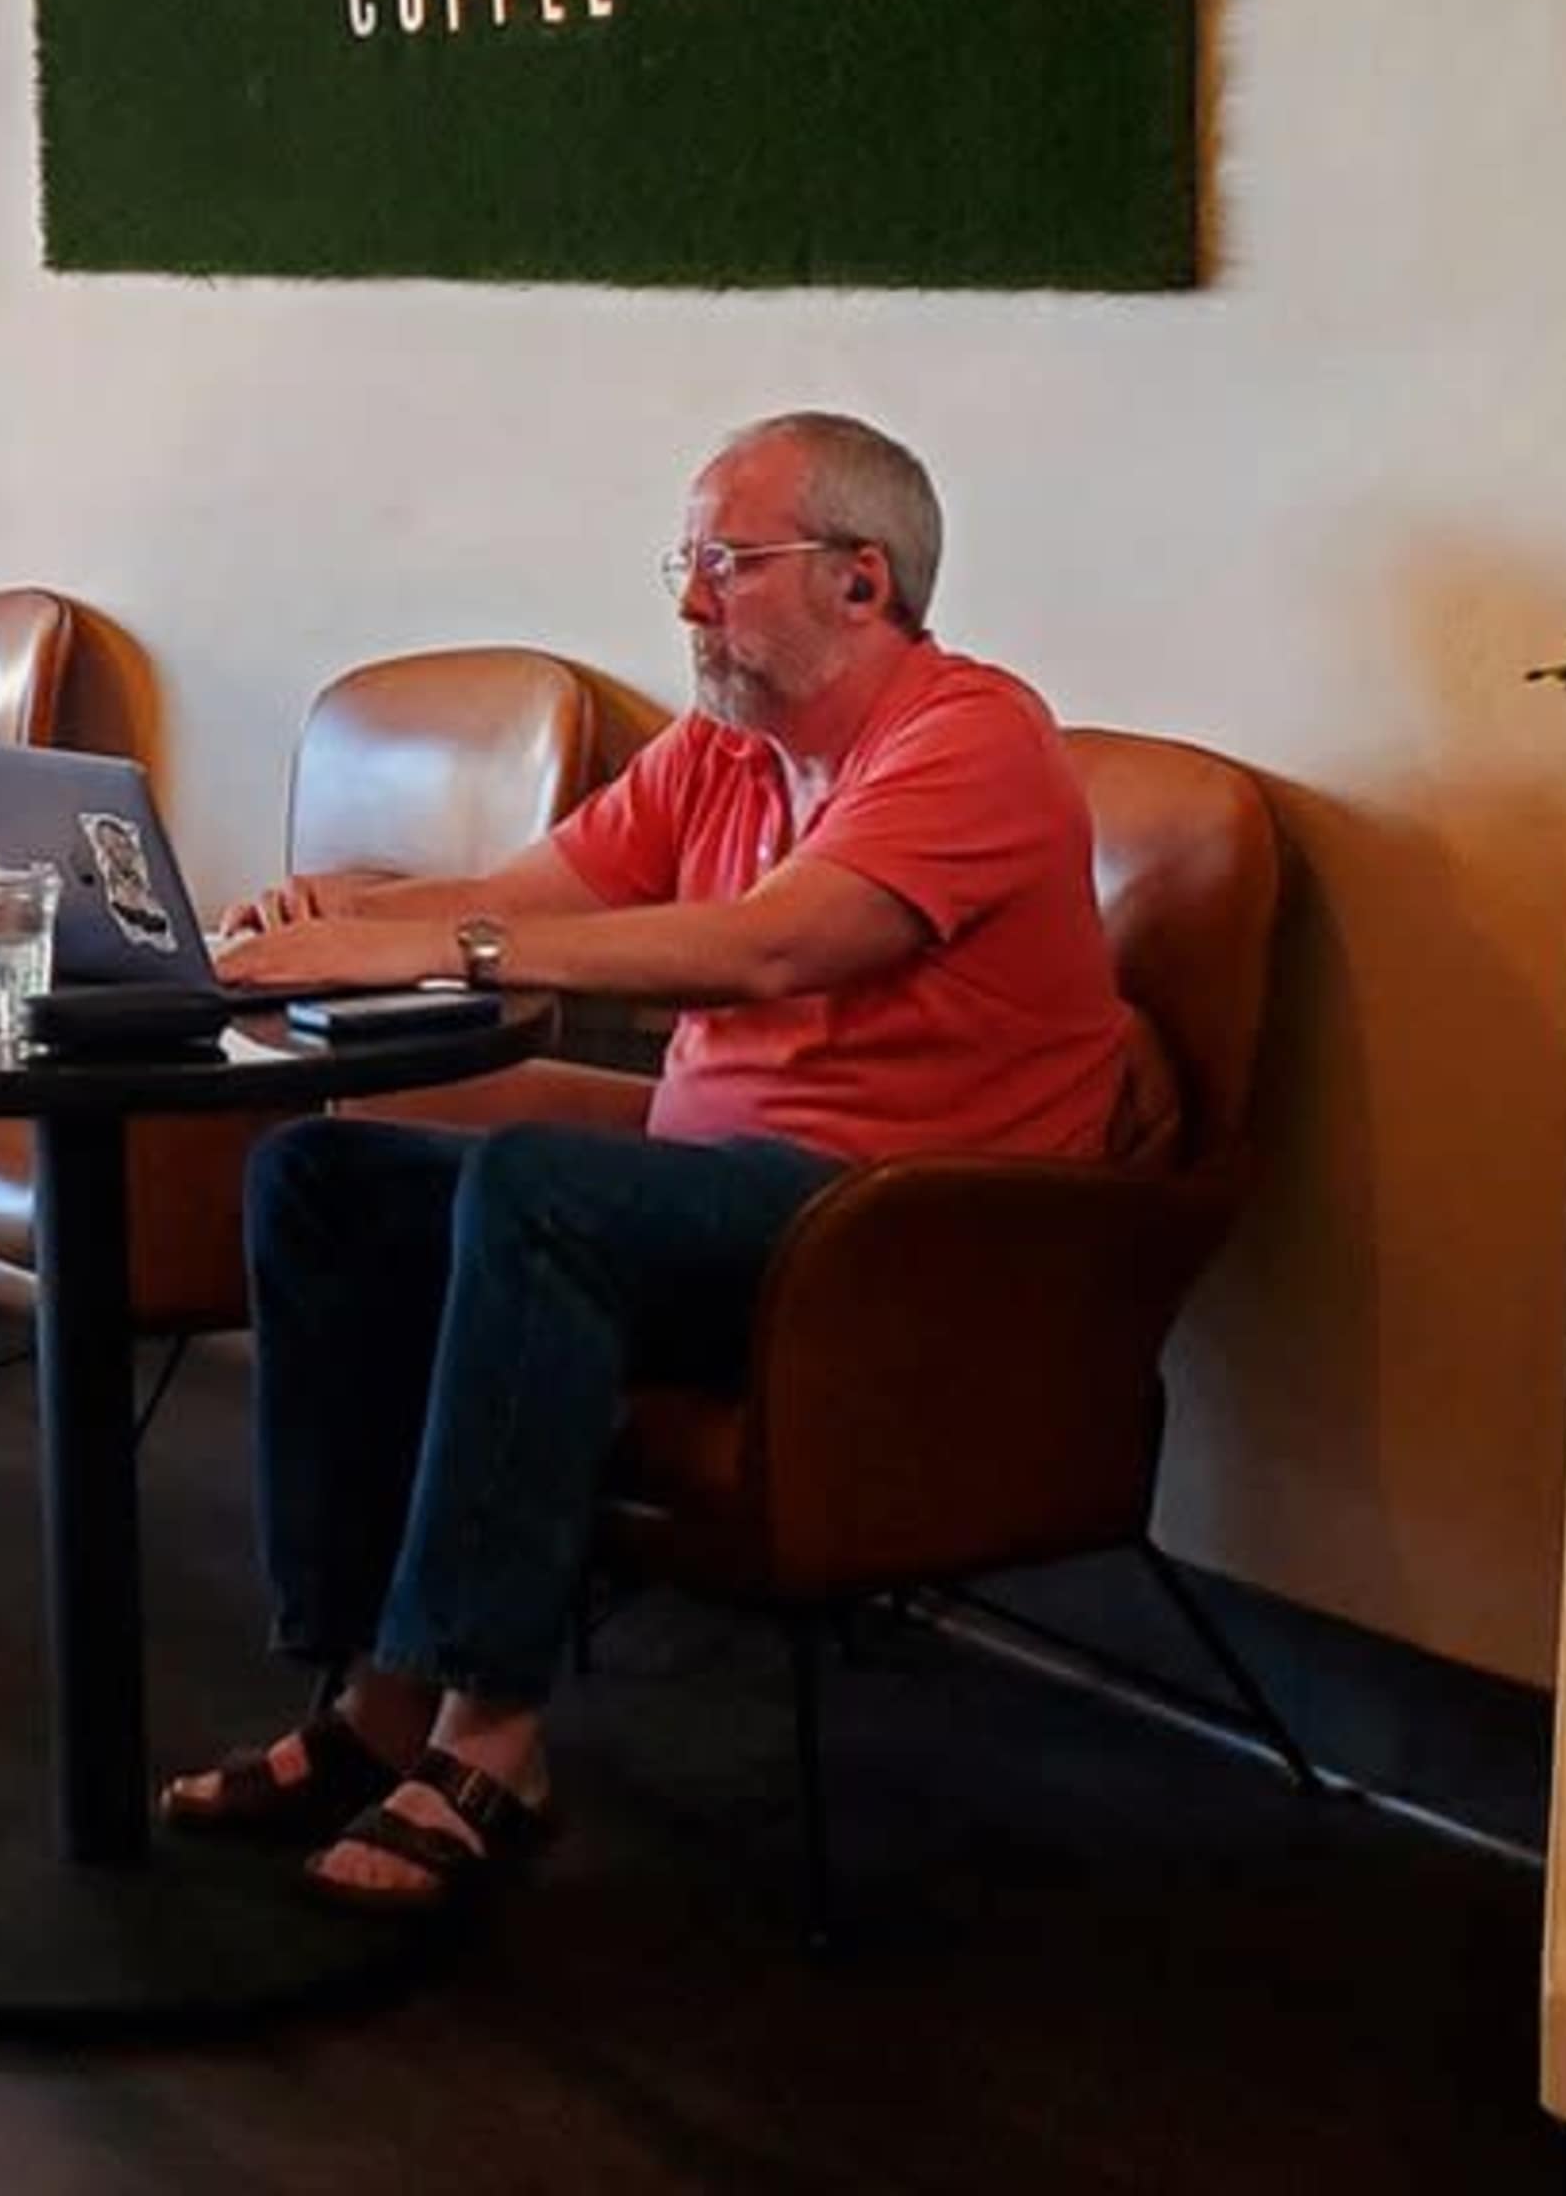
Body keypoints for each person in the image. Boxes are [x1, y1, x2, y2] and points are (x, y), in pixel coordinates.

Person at [164, 409, 1134, 1918]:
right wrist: (337, 913)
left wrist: (430, 941)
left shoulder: (972, 742)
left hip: (890, 1237)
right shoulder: (723, 756)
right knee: (322, 1179)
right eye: (683, 564)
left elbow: (769, 948)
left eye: (726, 566)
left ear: (861, 581)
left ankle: (496, 1733)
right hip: (705, 1208)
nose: (687, 603)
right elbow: (522, 893)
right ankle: (372, 1703)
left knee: (541, 1189)